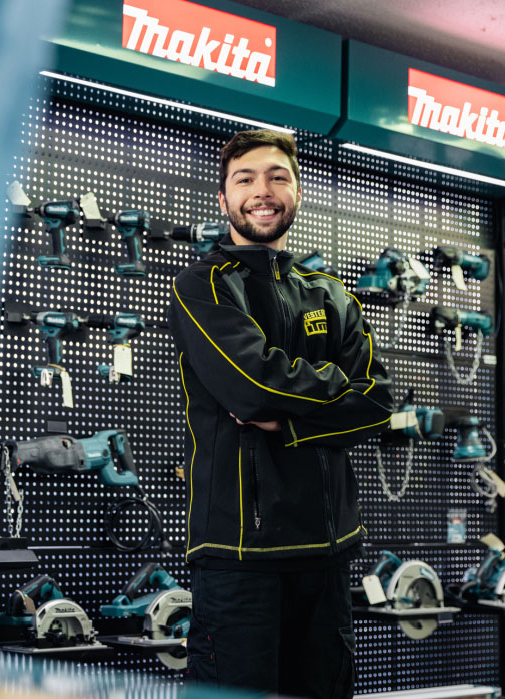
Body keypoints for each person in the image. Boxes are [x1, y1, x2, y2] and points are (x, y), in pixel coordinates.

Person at [168, 129, 394, 698]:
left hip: (327, 554)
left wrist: (290, 422)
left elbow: (376, 404)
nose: (262, 191)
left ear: (296, 191)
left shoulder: (332, 295)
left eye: (277, 177)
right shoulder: (202, 285)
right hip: (239, 557)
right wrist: (332, 387)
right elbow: (252, 387)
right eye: (244, 179)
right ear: (224, 199)